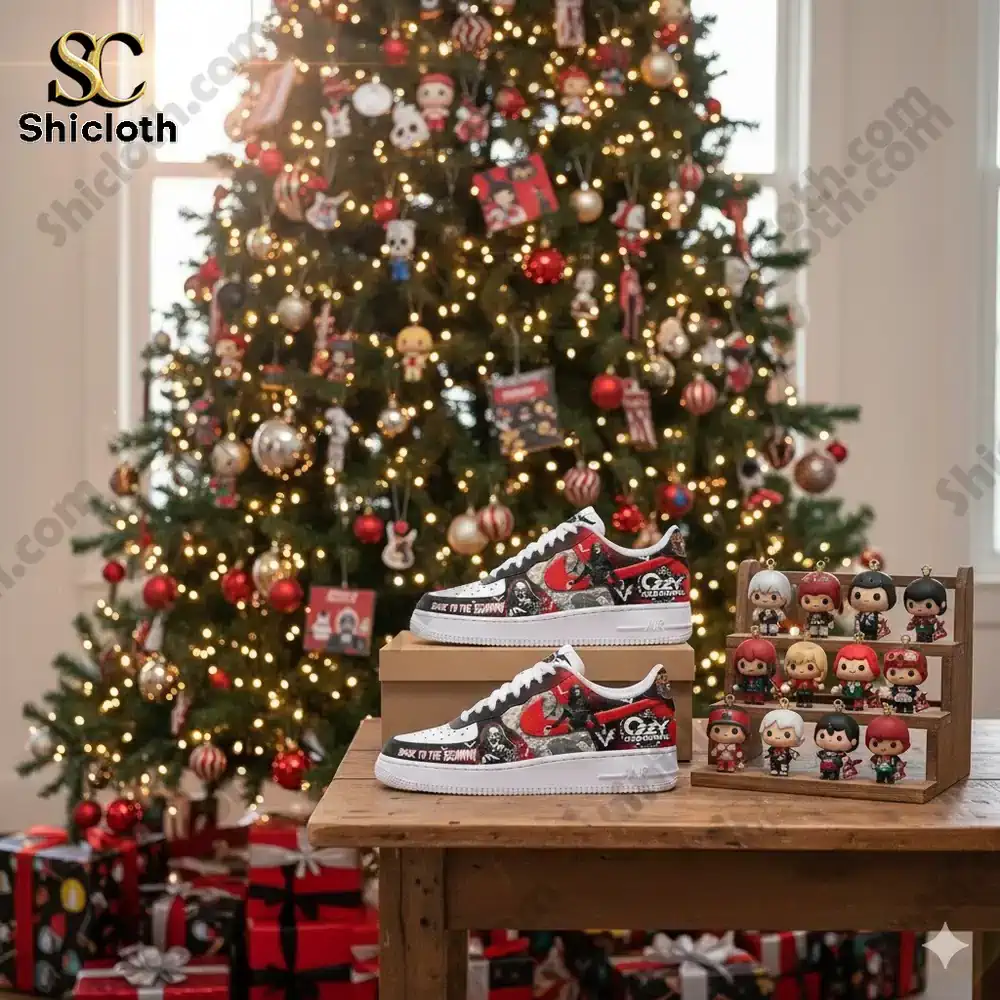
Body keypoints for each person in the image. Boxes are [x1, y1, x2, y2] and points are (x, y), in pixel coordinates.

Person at [814, 713, 861, 780]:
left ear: (853, 741)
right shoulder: (823, 752)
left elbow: (844, 761)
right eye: (822, 736)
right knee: (824, 774)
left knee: (834, 775)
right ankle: (824, 775)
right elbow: (819, 755)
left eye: (839, 738)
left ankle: (834, 776)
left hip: (834, 768)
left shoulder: (840, 754)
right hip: (824, 767)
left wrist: (843, 763)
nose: (829, 740)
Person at [760, 707, 804, 777]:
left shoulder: (786, 750)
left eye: (787, 735)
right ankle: (774, 769)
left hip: (784, 760)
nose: (777, 737)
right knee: (773, 762)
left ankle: (783, 770)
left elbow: (791, 754)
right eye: (769, 733)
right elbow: (770, 752)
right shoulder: (773, 748)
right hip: (774, 759)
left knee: (784, 764)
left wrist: (792, 755)